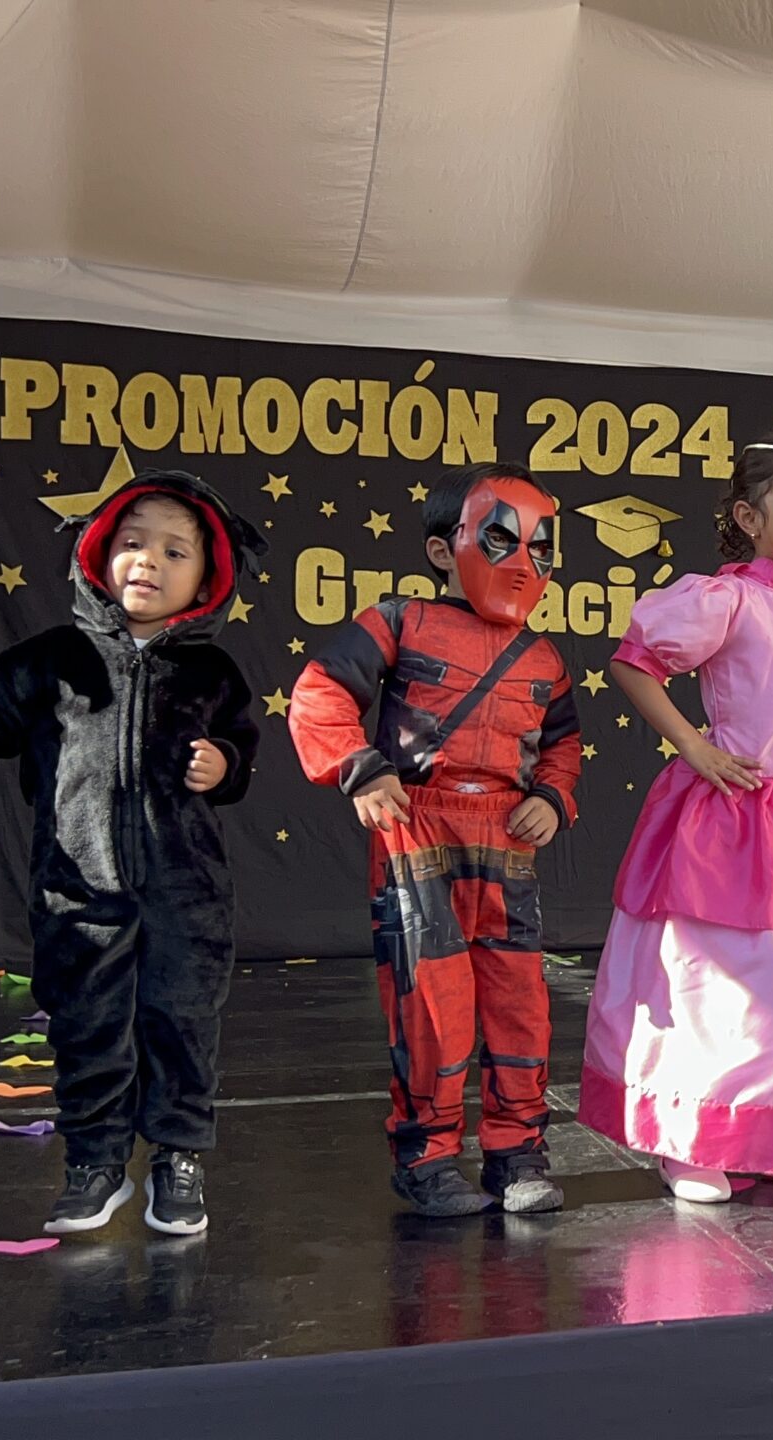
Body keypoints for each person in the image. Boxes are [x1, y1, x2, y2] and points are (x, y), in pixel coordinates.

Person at [0, 471, 262, 1236]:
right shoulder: (51, 659)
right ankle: (95, 1162)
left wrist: (224, 763)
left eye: (173, 550)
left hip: (186, 892)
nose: (147, 562)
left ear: (207, 576)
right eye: (132, 543)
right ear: (100, 552)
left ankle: (176, 1156)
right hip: (77, 890)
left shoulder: (213, 673)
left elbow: (243, 753)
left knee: (182, 1024)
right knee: (87, 1024)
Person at [579, 431, 773, 1203]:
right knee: (722, 981)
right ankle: (694, 1140)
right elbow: (632, 661)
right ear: (749, 519)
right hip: (739, 817)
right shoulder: (724, 598)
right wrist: (694, 746)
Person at [289, 462, 581, 1216]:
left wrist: (553, 797)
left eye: (539, 546)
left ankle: (517, 1151)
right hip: (418, 829)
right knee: (432, 998)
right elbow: (320, 691)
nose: (524, 563)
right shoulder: (399, 622)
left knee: (519, 1001)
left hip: (506, 844)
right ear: (443, 549)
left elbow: (562, 745)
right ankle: (429, 1154)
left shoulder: (544, 660)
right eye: (500, 538)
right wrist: (360, 768)